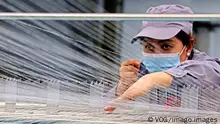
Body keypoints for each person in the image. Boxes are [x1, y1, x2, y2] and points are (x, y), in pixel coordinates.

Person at [104, 4, 220, 113]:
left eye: (166, 46)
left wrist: (152, 80)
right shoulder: (141, 72)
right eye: (149, 47)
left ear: (189, 46)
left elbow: (206, 73)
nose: (157, 54)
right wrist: (123, 86)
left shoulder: (207, 67)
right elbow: (105, 107)